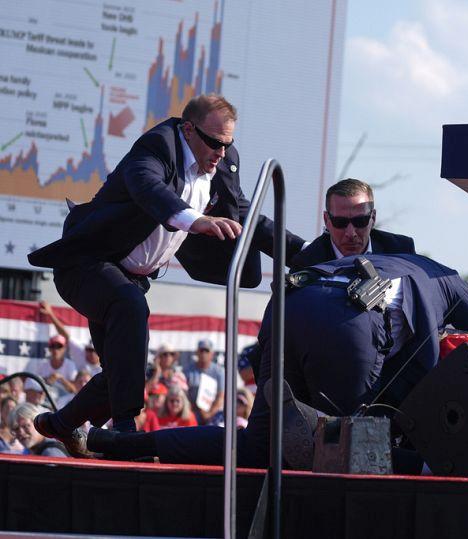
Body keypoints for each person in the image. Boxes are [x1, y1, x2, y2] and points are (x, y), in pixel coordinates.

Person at [27, 94, 305, 456]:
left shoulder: (221, 163)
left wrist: (308, 253)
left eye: (228, 144)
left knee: (121, 374)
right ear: (188, 130)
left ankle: (59, 424)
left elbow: (247, 217)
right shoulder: (157, 147)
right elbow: (149, 188)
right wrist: (196, 219)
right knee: (131, 307)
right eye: (214, 143)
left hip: (129, 277)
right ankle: (125, 431)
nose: (221, 152)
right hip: (87, 265)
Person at [87, 253, 468, 470]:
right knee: (353, 449)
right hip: (350, 323)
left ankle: (126, 444)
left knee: (257, 446)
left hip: (289, 304)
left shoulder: (405, 266)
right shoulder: (449, 283)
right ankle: (313, 428)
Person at [288, 178, 415, 271]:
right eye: (340, 222)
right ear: (327, 220)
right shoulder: (307, 264)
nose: (351, 233)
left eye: (360, 221)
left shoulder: (401, 251)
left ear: (373, 217)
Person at [182, 339, 225, 425]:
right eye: (201, 350)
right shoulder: (187, 370)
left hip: (213, 413)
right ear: (197, 352)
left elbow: (221, 396)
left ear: (212, 354)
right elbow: (184, 394)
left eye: (206, 351)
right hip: (192, 411)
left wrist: (209, 414)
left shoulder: (219, 371)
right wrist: (192, 410)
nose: (203, 354)